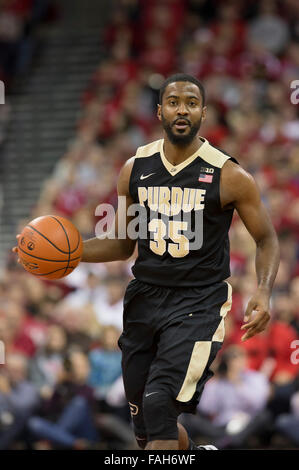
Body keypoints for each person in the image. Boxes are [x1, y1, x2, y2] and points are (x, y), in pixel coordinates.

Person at [14, 73, 280, 450]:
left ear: (204, 112)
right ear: (159, 112)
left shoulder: (229, 174)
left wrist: (264, 291)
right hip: (144, 299)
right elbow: (123, 244)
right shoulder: (134, 168)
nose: (182, 109)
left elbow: (267, 238)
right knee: (147, 430)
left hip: (198, 303)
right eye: (174, 102)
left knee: (159, 406)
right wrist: (68, 253)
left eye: (191, 102)